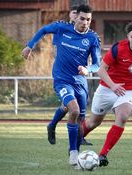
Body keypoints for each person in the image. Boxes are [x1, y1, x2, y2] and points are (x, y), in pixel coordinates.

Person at [21, 4, 101, 166]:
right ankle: (73, 153)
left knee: (80, 121)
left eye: (88, 19)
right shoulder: (62, 28)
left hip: (80, 83)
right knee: (74, 109)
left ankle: (73, 151)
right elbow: (43, 30)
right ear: (75, 17)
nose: (85, 22)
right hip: (62, 79)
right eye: (82, 18)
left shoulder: (93, 38)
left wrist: (88, 69)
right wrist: (30, 46)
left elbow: (97, 64)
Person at [81, 20, 132, 167]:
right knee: (94, 122)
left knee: (123, 116)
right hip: (107, 88)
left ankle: (103, 154)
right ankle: (74, 144)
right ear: (128, 37)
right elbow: (101, 70)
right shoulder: (118, 49)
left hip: (129, 91)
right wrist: (113, 86)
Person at [47, 5, 93, 146]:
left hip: (80, 77)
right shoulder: (62, 30)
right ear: (71, 16)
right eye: (74, 14)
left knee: (75, 110)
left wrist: (88, 66)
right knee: (72, 108)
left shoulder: (87, 34)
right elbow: (57, 49)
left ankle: (77, 138)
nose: (75, 17)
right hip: (64, 75)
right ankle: (56, 128)